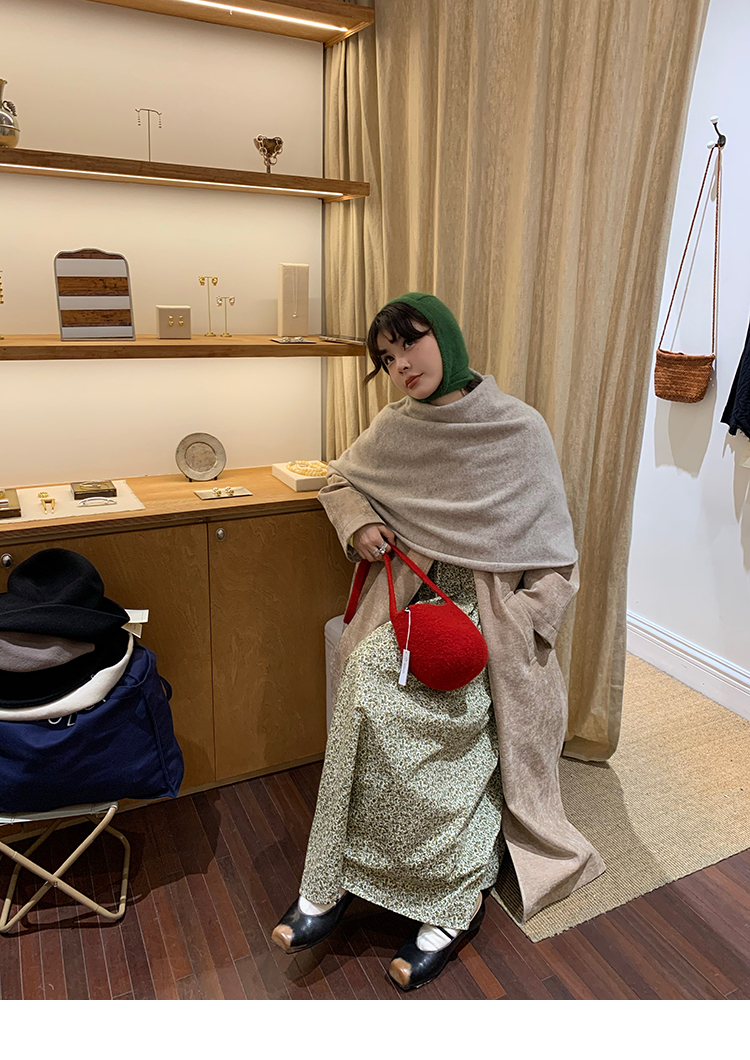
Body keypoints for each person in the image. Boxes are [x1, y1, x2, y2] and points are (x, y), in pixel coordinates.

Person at [271, 292, 605, 992]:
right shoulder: (396, 427)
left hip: (490, 615)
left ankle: (450, 904)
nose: (401, 365)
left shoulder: (520, 429)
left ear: (445, 337)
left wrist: (520, 623)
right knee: (366, 686)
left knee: (452, 719)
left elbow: (557, 558)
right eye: (386, 357)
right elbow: (339, 479)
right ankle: (328, 883)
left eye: (410, 343)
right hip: (413, 600)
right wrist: (359, 522)